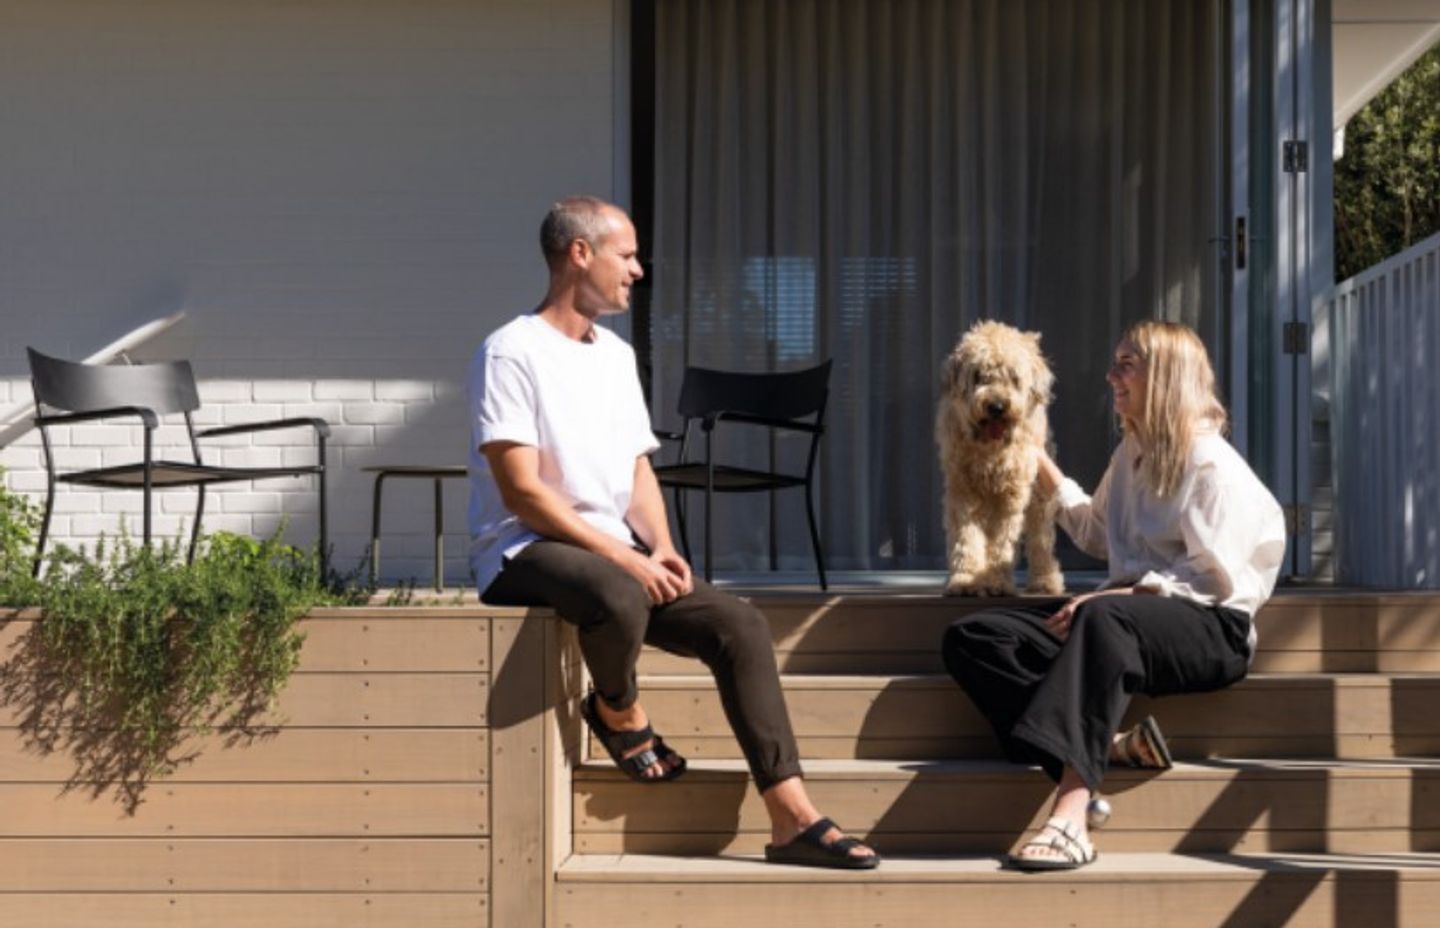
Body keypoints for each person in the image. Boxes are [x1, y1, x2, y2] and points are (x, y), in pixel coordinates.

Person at [468, 195, 878, 870]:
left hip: (607, 553)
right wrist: (627, 564)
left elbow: (636, 467)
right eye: (626, 255)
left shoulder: (615, 355)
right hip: (522, 549)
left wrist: (659, 547)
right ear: (580, 253)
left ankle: (790, 816)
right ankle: (618, 710)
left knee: (739, 624)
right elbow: (523, 492)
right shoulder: (510, 352)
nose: (637, 270)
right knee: (619, 594)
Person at [940, 319, 1287, 871]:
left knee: (1104, 620)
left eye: (1126, 365)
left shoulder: (1213, 466)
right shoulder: (1132, 454)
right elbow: (1096, 533)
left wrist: (1108, 600)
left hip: (1210, 628)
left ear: (1166, 376)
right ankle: (1106, 742)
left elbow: (1215, 583)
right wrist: (1036, 455)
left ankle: (1072, 816)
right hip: (1124, 619)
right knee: (976, 637)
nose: (1111, 377)